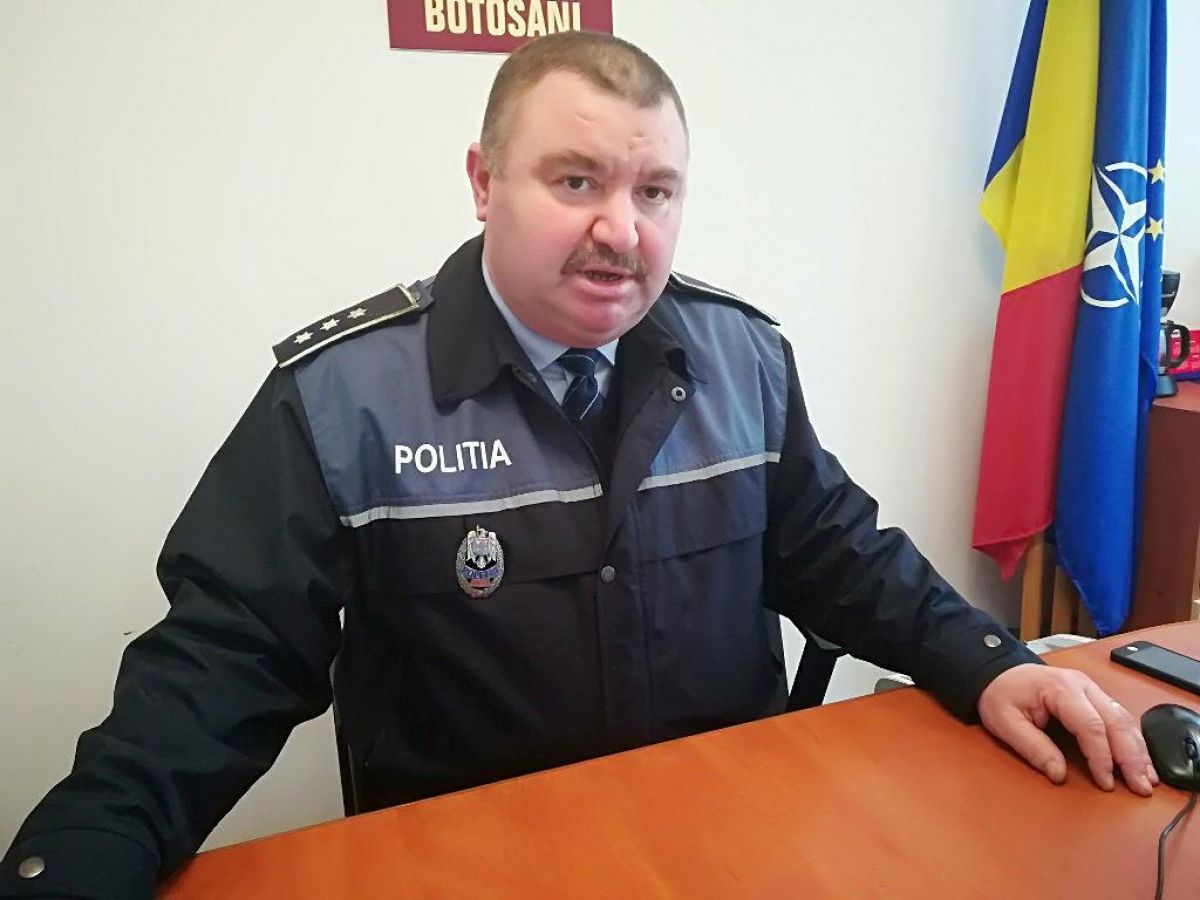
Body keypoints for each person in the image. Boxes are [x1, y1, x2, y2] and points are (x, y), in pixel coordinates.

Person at [1, 30, 1159, 899]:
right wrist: (80, 855)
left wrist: (987, 662)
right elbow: (217, 670)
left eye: (655, 192)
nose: (623, 230)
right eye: (575, 182)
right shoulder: (344, 399)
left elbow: (837, 554)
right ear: (482, 181)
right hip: (475, 868)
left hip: (733, 848)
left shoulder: (743, 357)